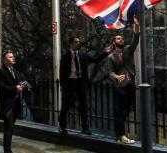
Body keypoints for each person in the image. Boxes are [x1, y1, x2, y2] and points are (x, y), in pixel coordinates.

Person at [59, 36, 111, 135]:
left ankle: (85, 127)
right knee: (65, 105)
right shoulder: (65, 57)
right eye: (76, 42)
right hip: (69, 83)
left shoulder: (83, 55)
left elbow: (96, 60)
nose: (78, 43)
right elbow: (62, 72)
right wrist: (63, 85)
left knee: (83, 105)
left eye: (79, 42)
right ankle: (62, 125)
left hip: (80, 82)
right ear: (71, 44)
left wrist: (105, 53)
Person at [107, 16, 139, 144]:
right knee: (120, 111)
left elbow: (135, 40)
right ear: (114, 42)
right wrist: (116, 76)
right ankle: (121, 135)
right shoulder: (111, 57)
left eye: (122, 38)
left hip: (130, 83)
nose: (121, 39)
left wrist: (136, 26)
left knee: (126, 110)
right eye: (118, 38)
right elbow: (110, 72)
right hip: (120, 86)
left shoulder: (127, 50)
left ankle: (119, 134)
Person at [0, 50, 28, 153]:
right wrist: (15, 88)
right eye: (10, 57)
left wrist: (23, 84)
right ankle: (7, 150)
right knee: (8, 127)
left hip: (15, 103)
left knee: (11, 127)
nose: (13, 58)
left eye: (13, 56)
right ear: (4, 60)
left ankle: (8, 149)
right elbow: (1, 87)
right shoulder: (1, 72)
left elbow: (19, 82)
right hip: (7, 104)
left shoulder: (15, 70)